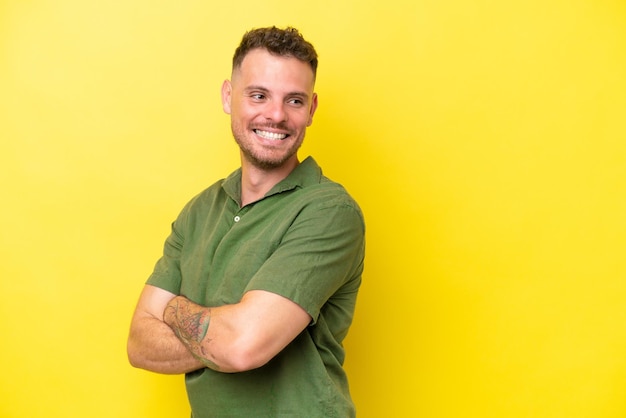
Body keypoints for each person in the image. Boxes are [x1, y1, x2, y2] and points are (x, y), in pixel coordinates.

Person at [127, 26, 365, 418]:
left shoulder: (329, 211)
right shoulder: (199, 211)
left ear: (311, 109)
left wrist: (173, 310)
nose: (275, 114)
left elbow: (243, 346)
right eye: (259, 95)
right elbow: (139, 344)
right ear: (228, 97)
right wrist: (221, 334)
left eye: (294, 100)